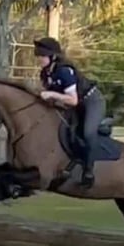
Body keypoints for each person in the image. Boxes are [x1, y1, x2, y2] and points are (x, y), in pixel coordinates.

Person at [33, 36, 105, 188]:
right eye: (38, 55)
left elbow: (73, 100)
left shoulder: (64, 71)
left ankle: (89, 171)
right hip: (73, 105)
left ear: (52, 56)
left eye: (42, 55)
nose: (39, 58)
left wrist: (52, 95)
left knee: (87, 132)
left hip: (91, 102)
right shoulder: (45, 74)